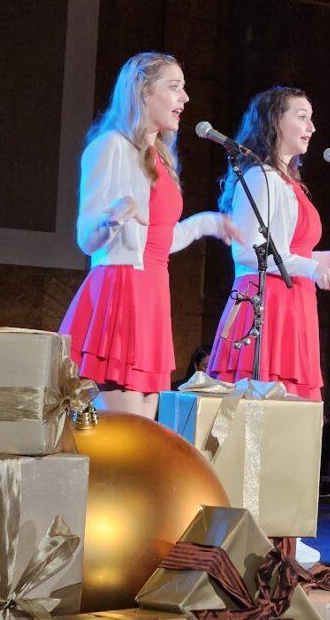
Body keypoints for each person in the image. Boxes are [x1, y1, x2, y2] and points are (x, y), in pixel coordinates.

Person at [60, 52, 241, 418]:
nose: (184, 98)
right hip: (120, 292)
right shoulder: (111, 145)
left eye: (184, 89)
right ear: (144, 91)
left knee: (144, 431)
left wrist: (209, 223)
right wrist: (111, 218)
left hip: (152, 293)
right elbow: (86, 238)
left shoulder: (161, 157)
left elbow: (160, 241)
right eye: (174, 88)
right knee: (124, 431)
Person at [207, 86, 330, 398]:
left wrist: (326, 258)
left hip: (293, 303)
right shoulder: (261, 176)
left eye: (310, 118)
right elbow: (248, 251)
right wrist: (312, 268)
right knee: (261, 411)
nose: (311, 127)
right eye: (302, 117)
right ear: (275, 122)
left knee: (290, 414)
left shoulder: (287, 182)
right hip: (266, 304)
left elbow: (286, 249)